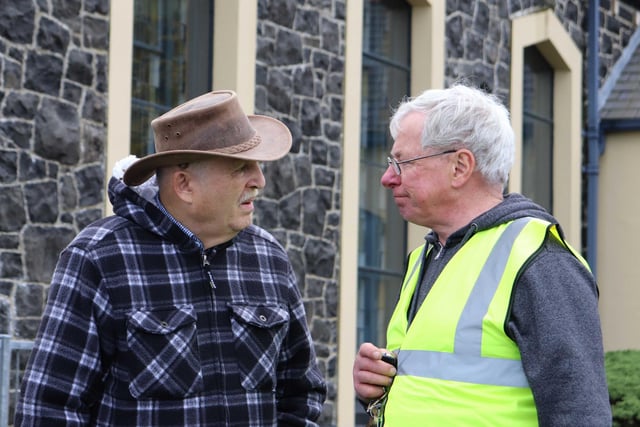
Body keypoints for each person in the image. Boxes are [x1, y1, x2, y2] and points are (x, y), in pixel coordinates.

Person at [15, 90, 326, 426]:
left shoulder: (269, 259)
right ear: (184, 184)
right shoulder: (99, 257)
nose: (260, 181)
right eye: (241, 168)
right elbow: (48, 410)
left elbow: (301, 392)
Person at [352, 84, 612, 426]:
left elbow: (580, 414)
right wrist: (378, 388)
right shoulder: (426, 256)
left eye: (403, 162)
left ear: (460, 166)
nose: (387, 178)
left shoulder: (541, 261)